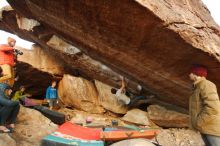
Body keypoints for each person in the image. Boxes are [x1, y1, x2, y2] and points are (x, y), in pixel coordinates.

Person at [189, 65, 220, 146]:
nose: (189, 75)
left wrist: (198, 122)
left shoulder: (206, 85)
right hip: (204, 126)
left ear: (195, 74)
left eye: (191, 73)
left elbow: (213, 108)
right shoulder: (197, 86)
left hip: (211, 127)